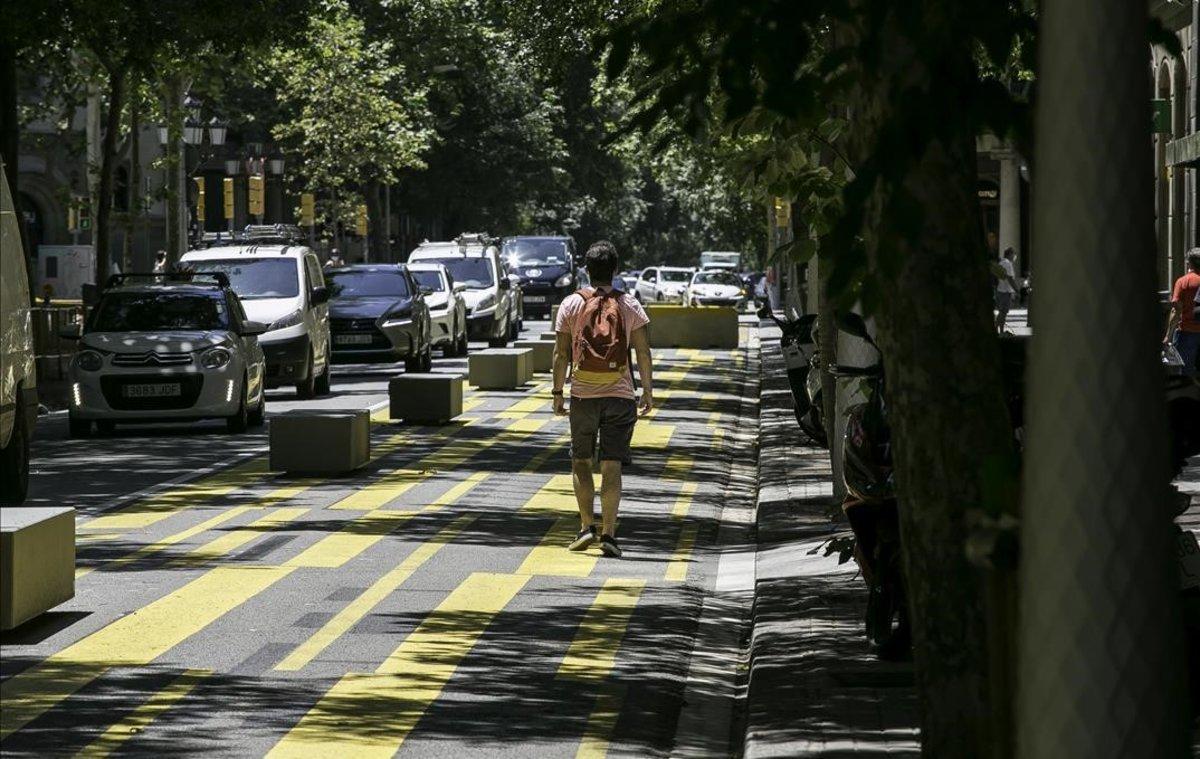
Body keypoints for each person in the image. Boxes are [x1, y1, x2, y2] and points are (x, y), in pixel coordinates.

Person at [553, 241, 654, 558]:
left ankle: (586, 527)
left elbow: (560, 354)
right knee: (611, 466)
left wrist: (557, 393)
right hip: (620, 395)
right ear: (616, 269)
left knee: (581, 462)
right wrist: (648, 390)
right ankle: (609, 534)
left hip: (583, 394)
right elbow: (642, 351)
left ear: (586, 269)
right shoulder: (629, 304)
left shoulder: (570, 304)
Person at [1165, 249, 1200, 376]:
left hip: (1187, 333)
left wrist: (1168, 336)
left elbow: (1176, 310)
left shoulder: (1183, 282)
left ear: (1189, 263)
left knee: (1183, 373)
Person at [995, 247, 1018, 334]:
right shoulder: (1008, 264)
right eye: (1014, 254)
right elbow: (1010, 279)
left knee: (1002, 313)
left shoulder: (1001, 262)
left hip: (1000, 290)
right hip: (1006, 292)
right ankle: (996, 329)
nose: (1015, 256)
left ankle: (1001, 331)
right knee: (1003, 313)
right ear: (1010, 254)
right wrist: (1016, 290)